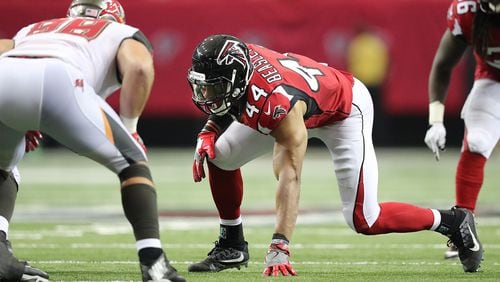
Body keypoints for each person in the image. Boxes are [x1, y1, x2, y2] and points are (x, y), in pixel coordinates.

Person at [186, 34, 484, 276]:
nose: (206, 97)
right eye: (203, 88)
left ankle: (452, 221)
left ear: (237, 78)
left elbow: (290, 175)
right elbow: (233, 98)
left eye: (213, 89)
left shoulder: (277, 104)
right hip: (304, 100)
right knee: (219, 155)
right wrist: (209, 131)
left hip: (343, 110)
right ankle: (232, 244)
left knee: (365, 219)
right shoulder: (243, 60)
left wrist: (280, 244)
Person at [0, 1, 186, 281]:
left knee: (4, 165)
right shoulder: (118, 31)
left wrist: (20, 113)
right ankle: (154, 264)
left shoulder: (33, 30)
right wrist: (131, 128)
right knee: (133, 162)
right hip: (58, 78)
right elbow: (139, 68)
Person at [425, 0, 500, 260]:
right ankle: (462, 229)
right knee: (477, 141)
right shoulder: (466, 12)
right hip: (493, 80)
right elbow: (442, 65)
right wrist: (436, 120)